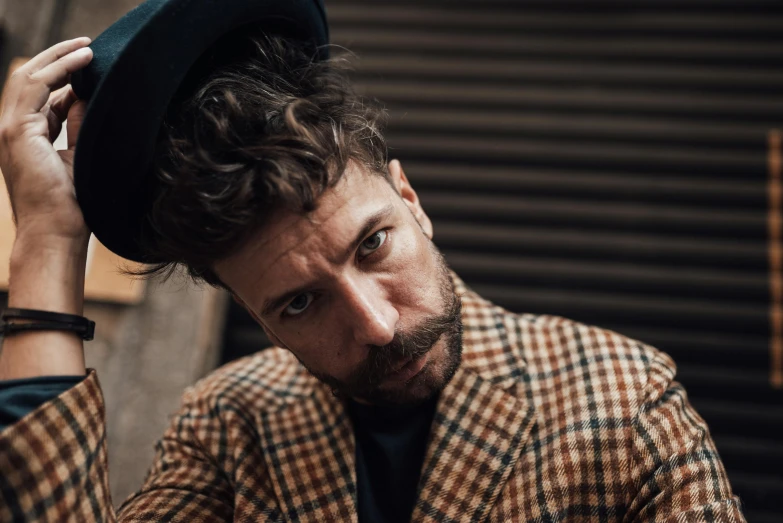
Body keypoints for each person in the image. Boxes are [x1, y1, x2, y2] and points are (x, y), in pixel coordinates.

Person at [0, 24, 746, 523]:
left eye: (372, 246)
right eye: (298, 303)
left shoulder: (624, 398)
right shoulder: (230, 424)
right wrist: (45, 238)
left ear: (411, 201)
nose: (378, 325)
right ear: (253, 316)